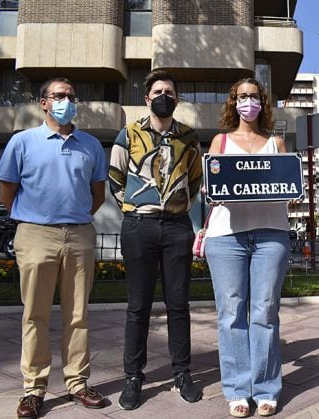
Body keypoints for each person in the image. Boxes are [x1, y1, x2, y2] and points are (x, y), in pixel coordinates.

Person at [0, 77, 108, 418]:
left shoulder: (90, 145)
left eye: (71, 96)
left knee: (79, 315)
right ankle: (34, 388)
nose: (66, 100)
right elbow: (7, 191)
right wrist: (35, 218)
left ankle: (77, 382)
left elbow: (98, 194)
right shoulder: (22, 142)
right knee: (35, 314)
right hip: (35, 234)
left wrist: (71, 217)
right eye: (59, 95)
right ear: (44, 102)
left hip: (78, 234)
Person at [108, 70, 203, 410]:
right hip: (139, 227)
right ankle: (133, 376)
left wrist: (176, 208)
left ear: (177, 99)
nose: (165, 95)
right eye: (158, 90)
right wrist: (135, 209)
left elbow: (194, 182)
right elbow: (115, 178)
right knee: (139, 305)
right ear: (147, 98)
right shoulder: (129, 133)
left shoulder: (189, 138)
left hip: (177, 227)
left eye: (170, 91)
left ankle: (182, 372)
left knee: (178, 304)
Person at [204, 78, 290, 418]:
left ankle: (267, 388)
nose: (248, 102)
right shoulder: (220, 141)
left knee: (265, 313)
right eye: (242, 96)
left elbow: (287, 186)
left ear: (262, 102)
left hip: (271, 234)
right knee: (231, 315)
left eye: (254, 96)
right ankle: (238, 389)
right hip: (226, 236)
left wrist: (291, 190)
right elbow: (211, 186)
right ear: (233, 102)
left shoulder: (276, 143)